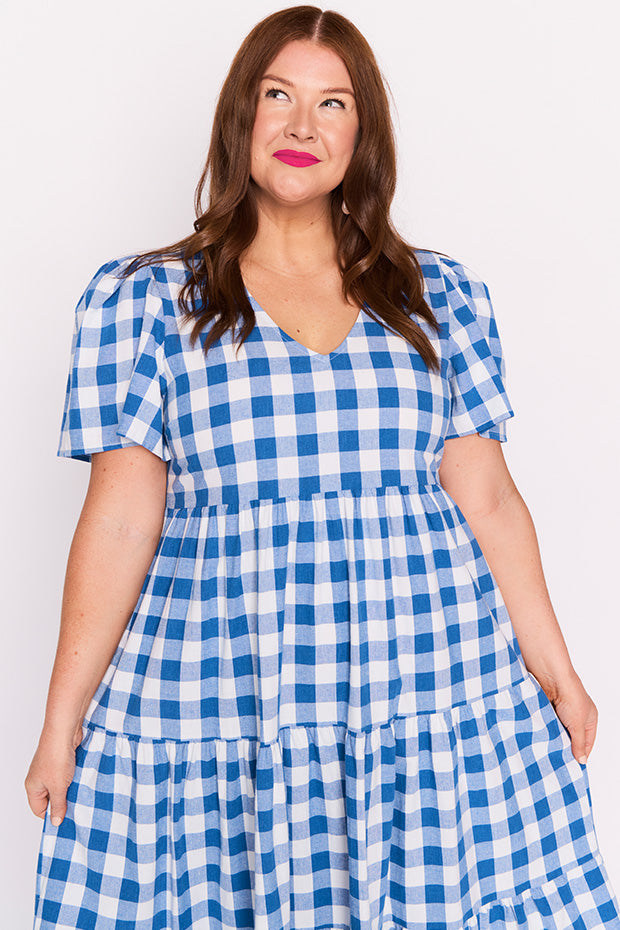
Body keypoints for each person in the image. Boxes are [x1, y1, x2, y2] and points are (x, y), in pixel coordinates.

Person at [25, 5, 620, 929]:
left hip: (425, 676)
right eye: (278, 95)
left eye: (332, 103)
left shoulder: (437, 296)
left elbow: (491, 501)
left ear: (361, 135)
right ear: (241, 115)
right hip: (229, 688)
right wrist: (61, 719)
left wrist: (560, 669)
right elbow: (120, 518)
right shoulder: (144, 302)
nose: (302, 125)